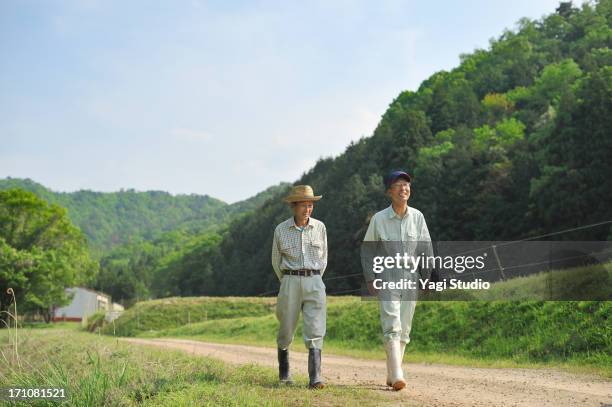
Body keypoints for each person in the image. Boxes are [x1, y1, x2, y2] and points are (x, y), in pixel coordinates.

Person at [363, 170, 432, 391]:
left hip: (411, 278)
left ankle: (392, 373)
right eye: (398, 185)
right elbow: (368, 250)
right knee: (392, 324)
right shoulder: (379, 219)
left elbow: (426, 248)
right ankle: (398, 375)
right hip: (388, 277)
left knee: (405, 329)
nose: (404, 188)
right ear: (389, 191)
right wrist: (371, 277)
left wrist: (426, 276)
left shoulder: (418, 217)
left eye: (406, 185)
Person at [271, 185, 327, 389]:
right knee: (286, 328)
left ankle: (315, 378)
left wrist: (314, 279)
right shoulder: (281, 229)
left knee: (316, 328)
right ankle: (284, 373)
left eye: (310, 205)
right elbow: (276, 261)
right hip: (289, 281)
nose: (307, 209)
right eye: (303, 205)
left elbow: (324, 258)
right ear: (293, 206)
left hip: (314, 281)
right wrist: (288, 280)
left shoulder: (320, 227)